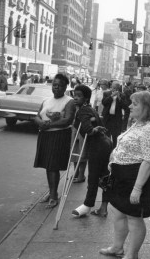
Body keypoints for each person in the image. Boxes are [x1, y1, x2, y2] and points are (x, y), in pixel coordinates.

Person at [100, 91, 150, 259]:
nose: (129, 106)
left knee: (134, 217)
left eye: (134, 104)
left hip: (136, 176)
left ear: (147, 107)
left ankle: (131, 255)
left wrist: (137, 188)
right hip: (123, 175)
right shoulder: (138, 123)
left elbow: (148, 160)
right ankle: (117, 247)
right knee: (119, 211)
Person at [33, 74, 76, 208]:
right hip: (45, 135)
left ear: (65, 87)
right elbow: (37, 116)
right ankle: (52, 192)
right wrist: (40, 123)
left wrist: (49, 125)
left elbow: (67, 120)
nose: (56, 87)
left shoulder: (69, 101)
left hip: (59, 136)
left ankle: (53, 196)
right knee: (48, 165)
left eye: (60, 85)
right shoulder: (46, 100)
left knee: (53, 166)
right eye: (54, 85)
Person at [71, 85, 113, 217]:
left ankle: (87, 205)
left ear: (86, 98)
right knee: (105, 176)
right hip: (105, 143)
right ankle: (103, 208)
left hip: (97, 146)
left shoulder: (82, 111)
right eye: (75, 95)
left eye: (79, 96)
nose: (75, 98)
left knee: (94, 177)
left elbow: (88, 129)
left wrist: (92, 129)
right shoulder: (90, 109)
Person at [102, 82, 130, 148]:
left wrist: (119, 98)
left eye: (116, 88)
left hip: (116, 119)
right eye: (113, 88)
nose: (114, 90)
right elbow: (104, 103)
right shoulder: (106, 93)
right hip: (107, 118)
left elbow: (125, 107)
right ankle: (106, 150)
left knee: (115, 136)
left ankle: (114, 150)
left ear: (118, 89)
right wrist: (111, 96)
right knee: (106, 136)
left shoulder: (122, 95)